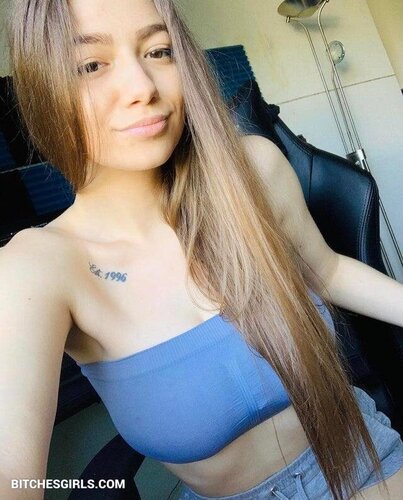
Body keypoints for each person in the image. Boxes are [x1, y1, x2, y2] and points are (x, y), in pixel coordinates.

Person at [1, 0, 402, 499]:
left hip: (361, 454)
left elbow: (326, 272)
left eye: (159, 51)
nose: (143, 87)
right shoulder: (37, 268)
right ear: (43, 85)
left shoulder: (253, 171)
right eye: (91, 65)